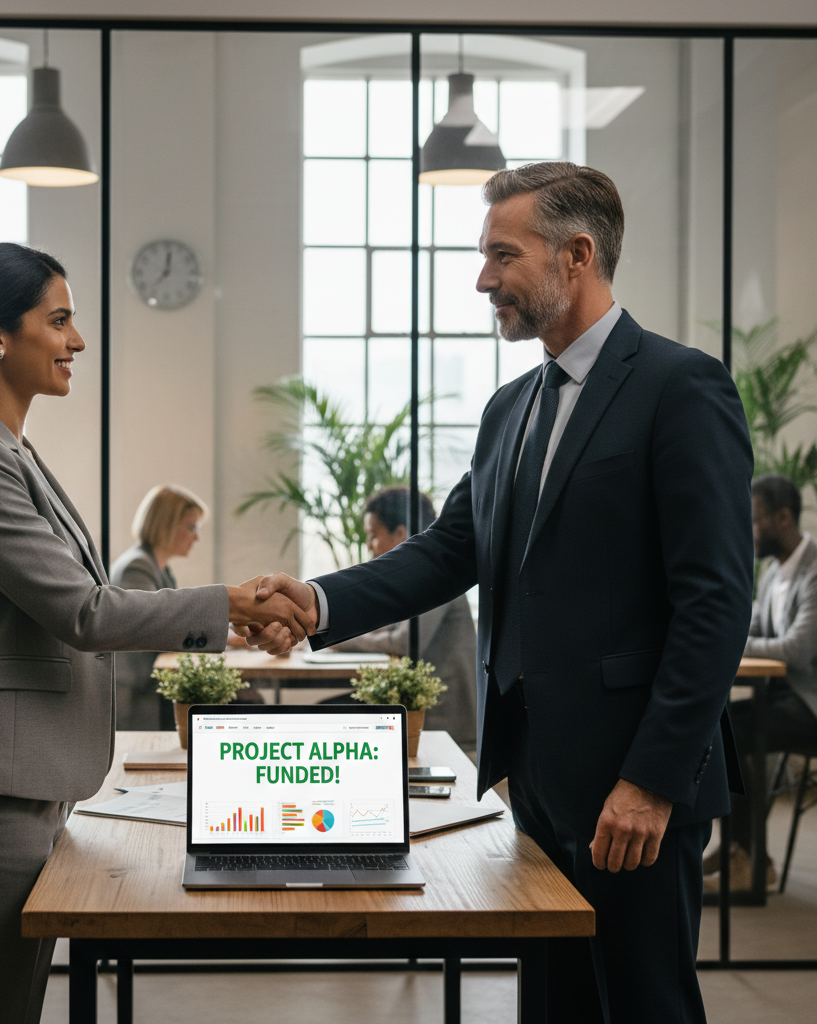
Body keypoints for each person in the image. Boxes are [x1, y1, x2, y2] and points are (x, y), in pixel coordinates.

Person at [250, 163, 754, 1023]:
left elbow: (714, 603)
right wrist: (317, 601)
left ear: (577, 256)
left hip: (631, 786)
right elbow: (452, 550)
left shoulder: (681, 387)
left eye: (501, 255)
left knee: (643, 1002)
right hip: (535, 776)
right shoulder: (511, 406)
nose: (483, 278)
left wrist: (651, 782)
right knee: (553, 1003)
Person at [0, 242, 307, 1024]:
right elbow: (85, 613)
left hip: (24, 785)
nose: (76, 341)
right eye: (58, 321)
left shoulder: (9, 452)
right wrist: (229, 601)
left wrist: (234, 619)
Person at [707, 473, 817, 891]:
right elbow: (746, 623)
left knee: (733, 730)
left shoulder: (813, 571)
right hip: (784, 698)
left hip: (809, 703)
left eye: (754, 521)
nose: (747, 530)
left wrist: (738, 644)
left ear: (783, 518)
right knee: (724, 725)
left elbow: (796, 649)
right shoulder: (774, 572)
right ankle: (744, 851)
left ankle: (747, 858)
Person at [325, 487, 479, 751]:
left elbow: (402, 643)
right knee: (328, 712)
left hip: (444, 724)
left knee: (327, 716)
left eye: (373, 536)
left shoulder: (433, 577)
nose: (369, 546)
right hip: (421, 710)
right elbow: (384, 627)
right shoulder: (415, 581)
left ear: (401, 533)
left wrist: (340, 642)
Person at [109, 484, 206, 730]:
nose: (197, 536)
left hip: (148, 686)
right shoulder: (137, 567)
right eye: (192, 527)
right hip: (135, 693)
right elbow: (160, 626)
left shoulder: (158, 568)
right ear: (166, 524)